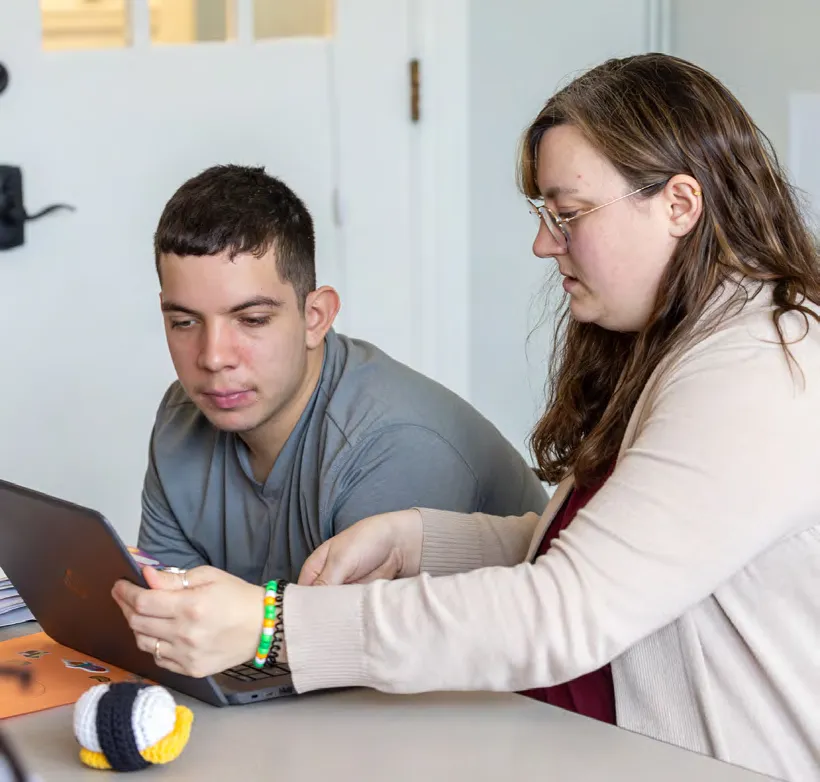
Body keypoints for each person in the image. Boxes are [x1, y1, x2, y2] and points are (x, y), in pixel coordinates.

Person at [114, 55, 820, 782]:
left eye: (567, 214)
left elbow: (565, 608)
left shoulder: (762, 371)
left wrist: (275, 625)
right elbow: (593, 549)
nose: (545, 243)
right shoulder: (686, 351)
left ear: (678, 204)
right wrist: (419, 539)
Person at [136, 164, 547, 582]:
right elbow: (163, 620)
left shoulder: (396, 446)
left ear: (315, 317)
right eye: (185, 322)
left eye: (253, 319)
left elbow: (356, 644)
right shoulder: (181, 417)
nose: (213, 357)